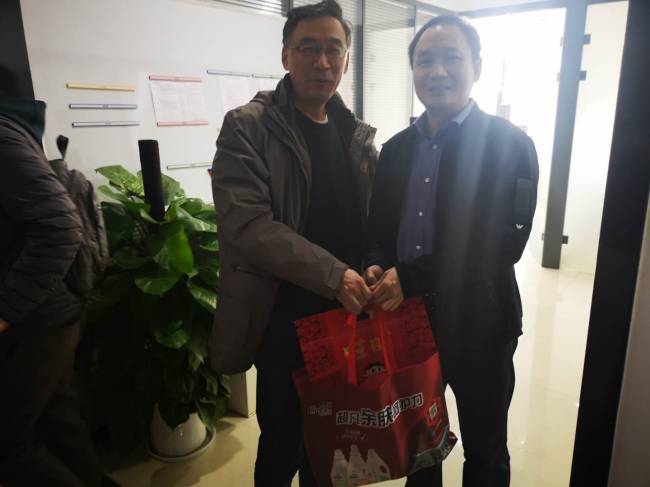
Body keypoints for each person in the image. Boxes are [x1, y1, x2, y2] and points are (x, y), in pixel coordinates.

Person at [366, 15, 539, 487]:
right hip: (409, 323)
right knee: (420, 446)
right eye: (425, 61)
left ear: (476, 66)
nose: (437, 71)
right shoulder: (396, 150)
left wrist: (412, 276)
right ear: (413, 71)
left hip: (482, 322)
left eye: (451, 58)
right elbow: (379, 227)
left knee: (485, 447)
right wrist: (376, 263)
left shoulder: (512, 145)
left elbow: (507, 241)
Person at [209, 1, 376, 485]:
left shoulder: (354, 134)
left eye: (334, 49)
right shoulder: (248, 126)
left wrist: (373, 263)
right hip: (284, 320)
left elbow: (366, 218)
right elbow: (249, 226)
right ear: (286, 56)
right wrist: (335, 275)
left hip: (345, 319)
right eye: (308, 48)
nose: (322, 62)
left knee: (334, 441)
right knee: (282, 443)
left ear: (346, 59)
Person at [0, 68, 117, 486]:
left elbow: (60, 226)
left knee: (9, 449)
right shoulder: (15, 130)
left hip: (37, 317)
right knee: (60, 426)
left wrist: (5, 310)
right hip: (49, 310)